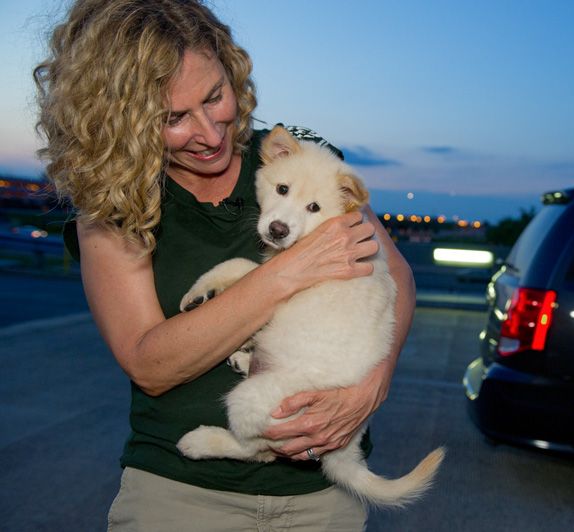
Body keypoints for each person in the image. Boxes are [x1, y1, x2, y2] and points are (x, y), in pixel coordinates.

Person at [33, 0, 415, 530]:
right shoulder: (114, 202)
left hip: (322, 498)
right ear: (123, 121)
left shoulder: (298, 161)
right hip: (180, 497)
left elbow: (395, 274)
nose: (211, 134)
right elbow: (149, 364)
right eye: (173, 118)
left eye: (215, 97)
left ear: (233, 72)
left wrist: (376, 380)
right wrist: (287, 272)